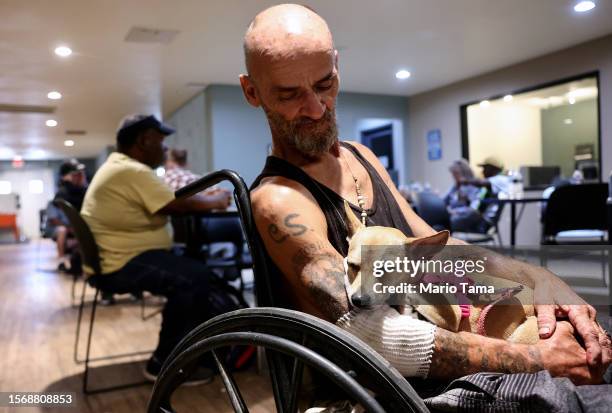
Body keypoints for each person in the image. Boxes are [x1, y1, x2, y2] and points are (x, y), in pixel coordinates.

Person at [241, 3, 611, 405]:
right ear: (252, 92)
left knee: (597, 333)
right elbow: (368, 333)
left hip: (443, 361)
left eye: (324, 83)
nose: (315, 108)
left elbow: (437, 249)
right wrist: (538, 357)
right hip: (376, 390)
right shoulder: (278, 199)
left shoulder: (361, 156)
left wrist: (539, 280)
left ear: (337, 67)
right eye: (290, 94)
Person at [81, 114, 233, 384]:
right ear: (143, 141)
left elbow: (170, 199)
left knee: (196, 271)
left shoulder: (120, 167)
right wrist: (217, 199)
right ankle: (164, 362)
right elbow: (177, 205)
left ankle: (201, 348)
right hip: (120, 263)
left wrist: (201, 199)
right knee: (193, 277)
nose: (165, 149)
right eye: (161, 142)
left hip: (118, 257)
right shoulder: (132, 170)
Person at [45, 159, 88, 272]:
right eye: (75, 175)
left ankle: (81, 260)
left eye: (80, 175)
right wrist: (70, 228)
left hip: (76, 226)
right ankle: (61, 261)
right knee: (62, 229)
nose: (78, 177)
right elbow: (53, 219)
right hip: (61, 227)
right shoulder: (62, 194)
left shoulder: (84, 191)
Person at [444, 159, 487, 233]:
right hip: (452, 216)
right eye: (453, 174)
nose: (453, 176)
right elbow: (443, 201)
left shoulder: (474, 186)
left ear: (464, 173)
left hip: (466, 220)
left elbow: (473, 209)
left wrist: (454, 211)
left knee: (440, 226)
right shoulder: (455, 187)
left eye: (455, 173)